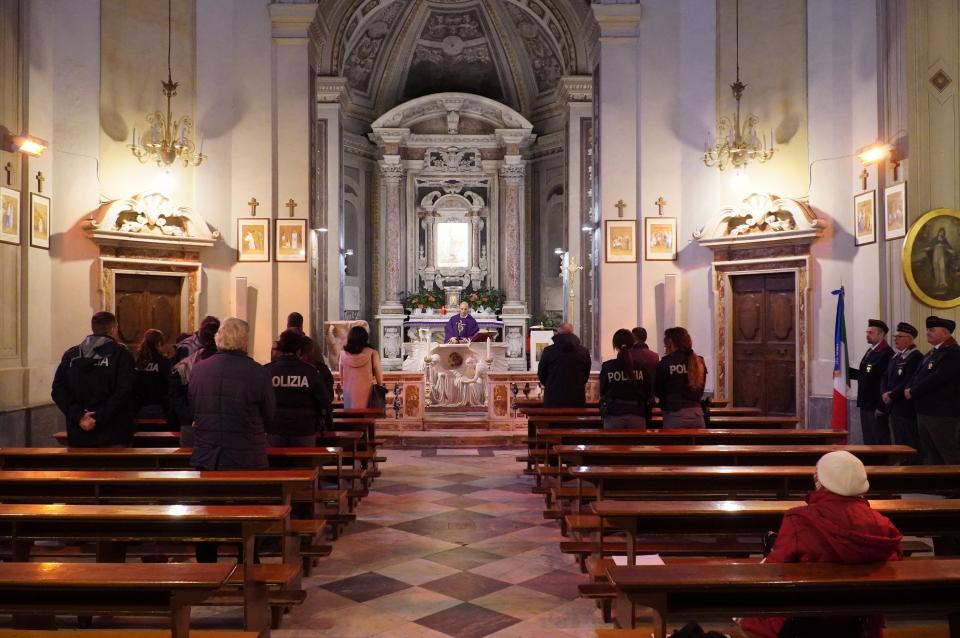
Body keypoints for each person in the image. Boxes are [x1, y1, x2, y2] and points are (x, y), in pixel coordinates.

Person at [739, 451, 903, 638]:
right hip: (859, 623)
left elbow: (774, 569)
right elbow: (892, 568)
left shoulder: (800, 520)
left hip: (806, 621)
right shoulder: (882, 523)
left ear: (820, 482)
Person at [189, 317, 273, 471]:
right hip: (246, 455)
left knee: (210, 495)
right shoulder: (258, 372)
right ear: (244, 342)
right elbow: (269, 414)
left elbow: (193, 408)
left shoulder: (199, 369)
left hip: (208, 456)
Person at [51, 311, 136, 447]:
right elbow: (124, 391)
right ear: (113, 329)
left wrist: (79, 416)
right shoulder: (121, 355)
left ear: (93, 328)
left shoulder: (71, 355)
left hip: (80, 432)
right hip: (114, 431)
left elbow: (58, 391)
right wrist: (98, 417)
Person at [904, 315, 960, 465]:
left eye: (932, 330)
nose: (928, 332)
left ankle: (953, 486)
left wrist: (913, 391)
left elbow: (937, 378)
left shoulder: (953, 352)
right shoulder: (932, 353)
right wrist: (909, 387)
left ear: (946, 332)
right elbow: (917, 374)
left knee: (948, 452)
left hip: (941, 413)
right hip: (925, 411)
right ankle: (937, 486)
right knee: (931, 453)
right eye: (928, 329)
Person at [264, 330, 332, 447]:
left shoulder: (267, 371)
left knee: (275, 464)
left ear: (280, 348)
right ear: (299, 350)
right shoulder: (310, 372)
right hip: (304, 429)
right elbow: (325, 401)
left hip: (274, 428)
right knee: (304, 464)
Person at [168, 319, 220, 446]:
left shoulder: (185, 365)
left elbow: (175, 395)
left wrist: (188, 417)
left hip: (191, 423)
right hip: (218, 425)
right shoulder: (229, 364)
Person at [880, 322, 924, 463]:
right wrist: (884, 393)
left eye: (899, 336)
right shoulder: (896, 357)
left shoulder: (915, 357)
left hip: (905, 407)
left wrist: (891, 395)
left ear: (910, 338)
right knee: (898, 440)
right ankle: (902, 466)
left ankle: (912, 468)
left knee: (909, 440)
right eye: (895, 336)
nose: (895, 339)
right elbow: (885, 376)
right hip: (893, 406)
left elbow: (908, 381)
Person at [849, 319, 893, 444]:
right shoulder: (871, 351)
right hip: (865, 403)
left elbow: (884, 382)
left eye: (871, 333)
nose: (867, 335)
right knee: (869, 440)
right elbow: (865, 375)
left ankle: (881, 464)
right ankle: (871, 463)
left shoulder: (886, 353)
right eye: (867, 332)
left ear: (881, 334)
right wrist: (845, 371)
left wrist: (881, 406)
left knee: (879, 439)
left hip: (875, 405)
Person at [654, 327, 706, 428]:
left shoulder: (666, 363)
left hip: (674, 415)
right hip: (697, 414)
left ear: (670, 343)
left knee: (674, 444)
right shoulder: (699, 361)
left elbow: (658, 391)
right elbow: (700, 389)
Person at [599, 329, 651, 429]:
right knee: (637, 445)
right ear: (632, 344)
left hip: (614, 414)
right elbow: (647, 391)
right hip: (637, 414)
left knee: (612, 445)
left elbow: (603, 391)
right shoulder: (641, 367)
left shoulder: (607, 367)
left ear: (615, 345)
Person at [537, 322, 592, 408]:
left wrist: (551, 383)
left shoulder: (548, 351)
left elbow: (541, 373)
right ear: (572, 333)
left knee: (553, 421)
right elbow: (586, 375)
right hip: (576, 399)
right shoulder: (583, 352)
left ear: (558, 334)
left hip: (553, 399)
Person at [339, 325, 383, 408]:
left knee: (350, 419)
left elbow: (341, 378)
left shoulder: (342, 354)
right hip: (368, 396)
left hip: (349, 396)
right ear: (365, 338)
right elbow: (379, 379)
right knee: (367, 419)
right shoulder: (372, 353)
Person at [132, 328, 170, 420]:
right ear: (159, 343)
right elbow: (169, 384)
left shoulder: (136, 361)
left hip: (138, 407)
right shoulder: (164, 361)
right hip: (160, 406)